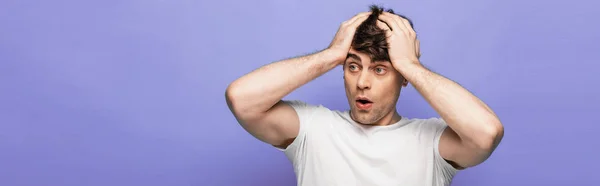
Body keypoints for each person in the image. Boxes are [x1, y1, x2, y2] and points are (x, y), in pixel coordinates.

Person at [225, 5, 504, 186]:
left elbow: (487, 133)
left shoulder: (431, 141)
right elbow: (241, 99)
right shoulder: (314, 128)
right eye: (353, 66)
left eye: (380, 69)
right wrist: (330, 55)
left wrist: (410, 65)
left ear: (403, 78)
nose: (362, 82)